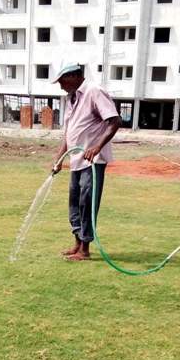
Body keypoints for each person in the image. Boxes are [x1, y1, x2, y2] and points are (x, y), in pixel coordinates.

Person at [51, 63, 121, 261]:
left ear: (74, 76)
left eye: (62, 81)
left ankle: (85, 248)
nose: (61, 86)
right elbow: (69, 134)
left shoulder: (94, 92)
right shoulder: (71, 99)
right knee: (74, 202)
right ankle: (77, 243)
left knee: (86, 202)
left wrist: (97, 146)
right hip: (76, 160)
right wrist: (58, 160)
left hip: (93, 161)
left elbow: (115, 121)